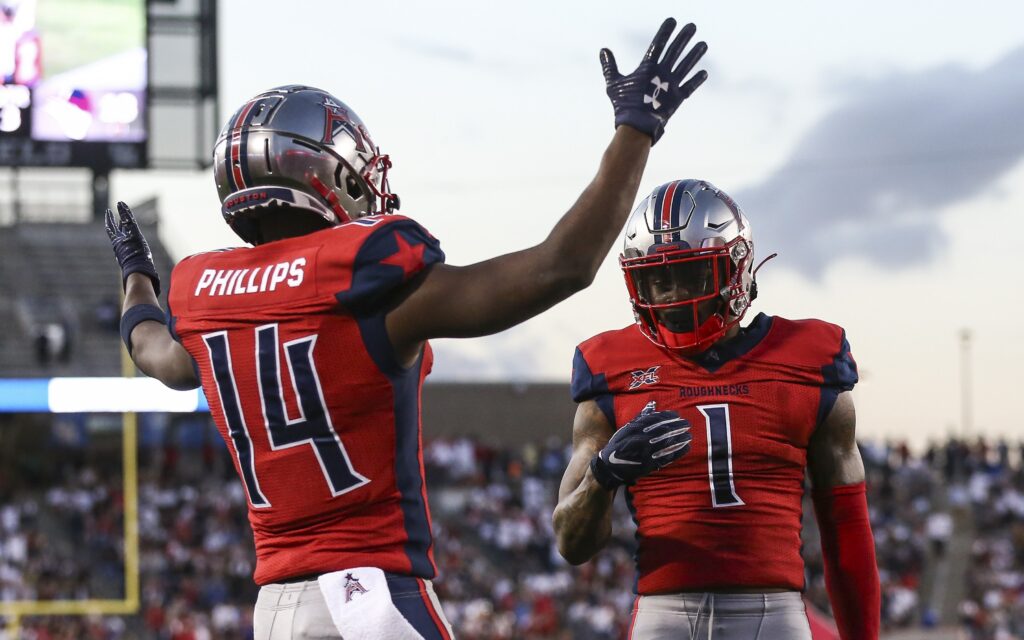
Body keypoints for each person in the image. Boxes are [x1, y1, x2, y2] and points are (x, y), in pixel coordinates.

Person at [105, 18, 709, 640]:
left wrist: (136, 275)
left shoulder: (206, 298)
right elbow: (562, 266)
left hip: (275, 610)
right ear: (332, 174)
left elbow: (152, 349)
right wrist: (636, 131)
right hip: (368, 596)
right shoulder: (367, 279)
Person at [552, 179, 880, 639]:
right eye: (656, 279)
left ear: (738, 267)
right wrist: (602, 476)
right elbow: (571, 543)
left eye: (690, 275)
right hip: (663, 615)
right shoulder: (608, 366)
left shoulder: (811, 356)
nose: (671, 297)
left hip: (774, 615)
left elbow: (846, 527)